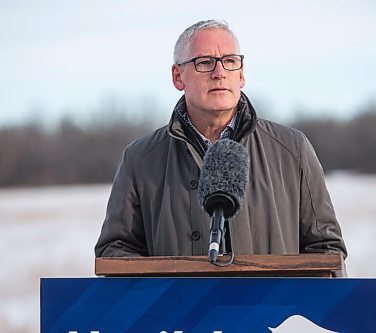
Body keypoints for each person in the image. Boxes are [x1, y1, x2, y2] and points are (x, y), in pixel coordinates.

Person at [95, 20, 347, 263]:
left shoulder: (292, 149)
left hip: (272, 307)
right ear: (178, 76)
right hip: (181, 307)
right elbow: (116, 250)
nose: (219, 73)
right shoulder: (141, 158)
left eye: (229, 61)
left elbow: (326, 249)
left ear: (241, 74)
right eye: (205, 62)